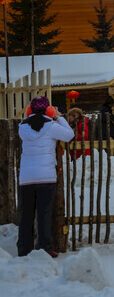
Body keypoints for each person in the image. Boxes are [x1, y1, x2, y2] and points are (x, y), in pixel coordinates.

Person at [17, 96, 74, 257]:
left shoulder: (22, 127)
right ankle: (45, 248)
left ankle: (24, 249)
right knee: (44, 214)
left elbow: (32, 122)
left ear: (30, 110)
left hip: (26, 177)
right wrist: (58, 117)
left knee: (26, 215)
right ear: (47, 110)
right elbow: (69, 135)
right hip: (46, 177)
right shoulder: (51, 126)